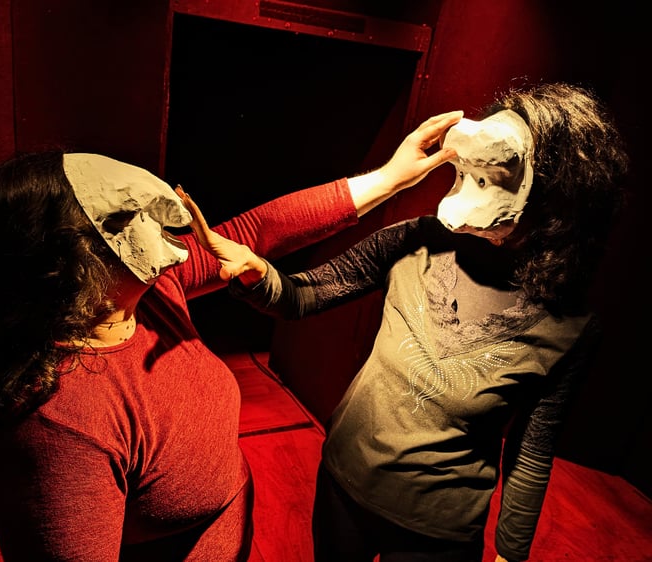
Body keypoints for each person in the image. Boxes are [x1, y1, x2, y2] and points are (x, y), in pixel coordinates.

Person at [0, 110, 463, 561]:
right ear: (74, 265)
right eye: (132, 216)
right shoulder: (54, 427)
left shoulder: (147, 294)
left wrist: (391, 178)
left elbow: (255, 231)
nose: (174, 220)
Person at [182, 82, 630, 562]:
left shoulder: (570, 328)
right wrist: (257, 274)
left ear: (559, 198)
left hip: (437, 528)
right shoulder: (416, 240)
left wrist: (510, 553)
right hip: (342, 482)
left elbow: (532, 448)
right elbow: (304, 295)